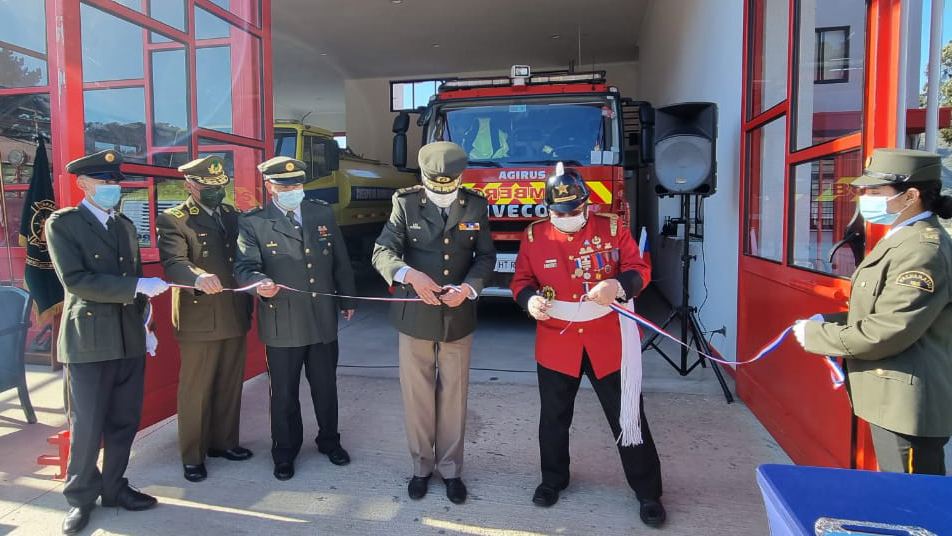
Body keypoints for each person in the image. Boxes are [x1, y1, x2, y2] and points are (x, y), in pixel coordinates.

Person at [510, 164, 666, 527]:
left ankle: (648, 492)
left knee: (627, 417)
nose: (567, 218)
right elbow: (521, 280)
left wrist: (620, 286)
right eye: (559, 213)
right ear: (547, 209)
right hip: (557, 342)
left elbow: (640, 267)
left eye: (575, 211)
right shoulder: (534, 237)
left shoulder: (611, 228)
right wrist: (529, 301)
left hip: (607, 338)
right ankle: (553, 480)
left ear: (587, 205)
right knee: (553, 418)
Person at [793, 148, 952, 475]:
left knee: (914, 507)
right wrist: (829, 320)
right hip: (891, 395)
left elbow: (888, 332)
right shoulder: (903, 237)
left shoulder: (924, 249)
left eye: (876, 192)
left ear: (911, 195)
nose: (866, 199)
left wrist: (817, 335)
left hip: (908, 407)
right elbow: (884, 308)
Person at [46, 150, 170, 534]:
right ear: (82, 184)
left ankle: (115, 487)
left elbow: (134, 285)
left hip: (128, 337)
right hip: (89, 339)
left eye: (115, 182)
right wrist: (136, 285)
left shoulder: (124, 227)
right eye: (104, 182)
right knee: (87, 424)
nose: (112, 188)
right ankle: (81, 497)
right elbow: (76, 281)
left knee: (124, 421)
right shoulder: (64, 224)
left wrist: (145, 325)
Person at [372, 141, 495, 504]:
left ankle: (452, 470)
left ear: (460, 178)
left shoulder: (475, 204)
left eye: (449, 184)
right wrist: (410, 275)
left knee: (454, 396)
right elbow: (383, 251)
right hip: (416, 314)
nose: (442, 191)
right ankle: (421, 467)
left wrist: (470, 288)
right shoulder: (406, 202)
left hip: (458, 314)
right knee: (418, 396)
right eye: (435, 184)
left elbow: (486, 256)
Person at [234, 156, 357, 481]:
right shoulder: (254, 222)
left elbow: (339, 260)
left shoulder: (321, 212)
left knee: (326, 387)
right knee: (284, 394)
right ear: (270, 186)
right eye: (285, 186)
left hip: (321, 319)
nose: (292, 190)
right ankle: (284, 451)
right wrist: (259, 285)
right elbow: (244, 267)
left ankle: (329, 441)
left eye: (297, 185)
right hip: (282, 322)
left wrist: (347, 298)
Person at [156, 156, 254, 483]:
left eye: (219, 186)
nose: (215, 192)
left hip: (233, 310)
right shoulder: (176, 219)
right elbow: (173, 262)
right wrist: (197, 276)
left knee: (229, 383)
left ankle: (224, 443)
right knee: (196, 389)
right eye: (207, 187)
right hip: (200, 314)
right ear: (190, 186)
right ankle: (193, 455)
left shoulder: (231, 215)